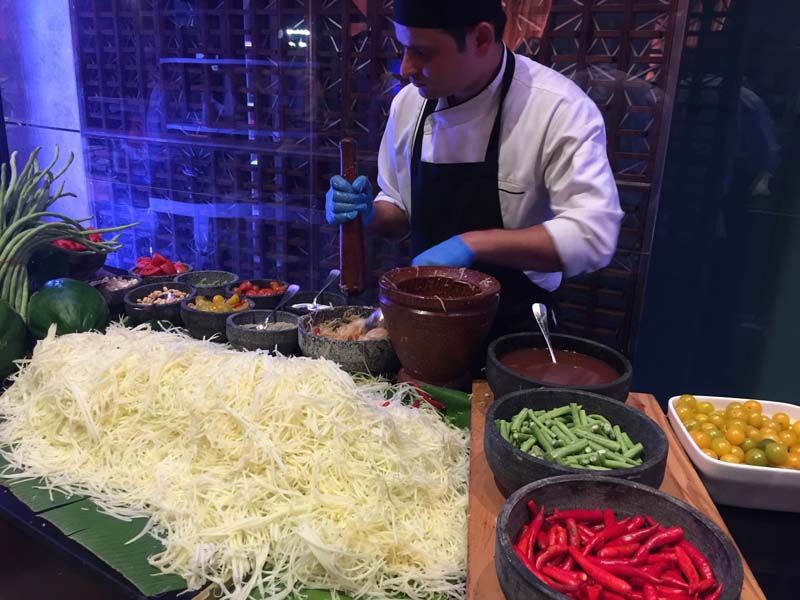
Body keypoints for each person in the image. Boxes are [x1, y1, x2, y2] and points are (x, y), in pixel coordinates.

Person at [325, 0, 623, 337]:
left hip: (513, 331)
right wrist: (369, 213)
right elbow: (399, 209)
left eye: (422, 52)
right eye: (403, 49)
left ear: (481, 38)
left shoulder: (558, 108)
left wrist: (473, 244)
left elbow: (593, 235)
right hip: (423, 329)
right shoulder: (408, 104)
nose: (406, 68)